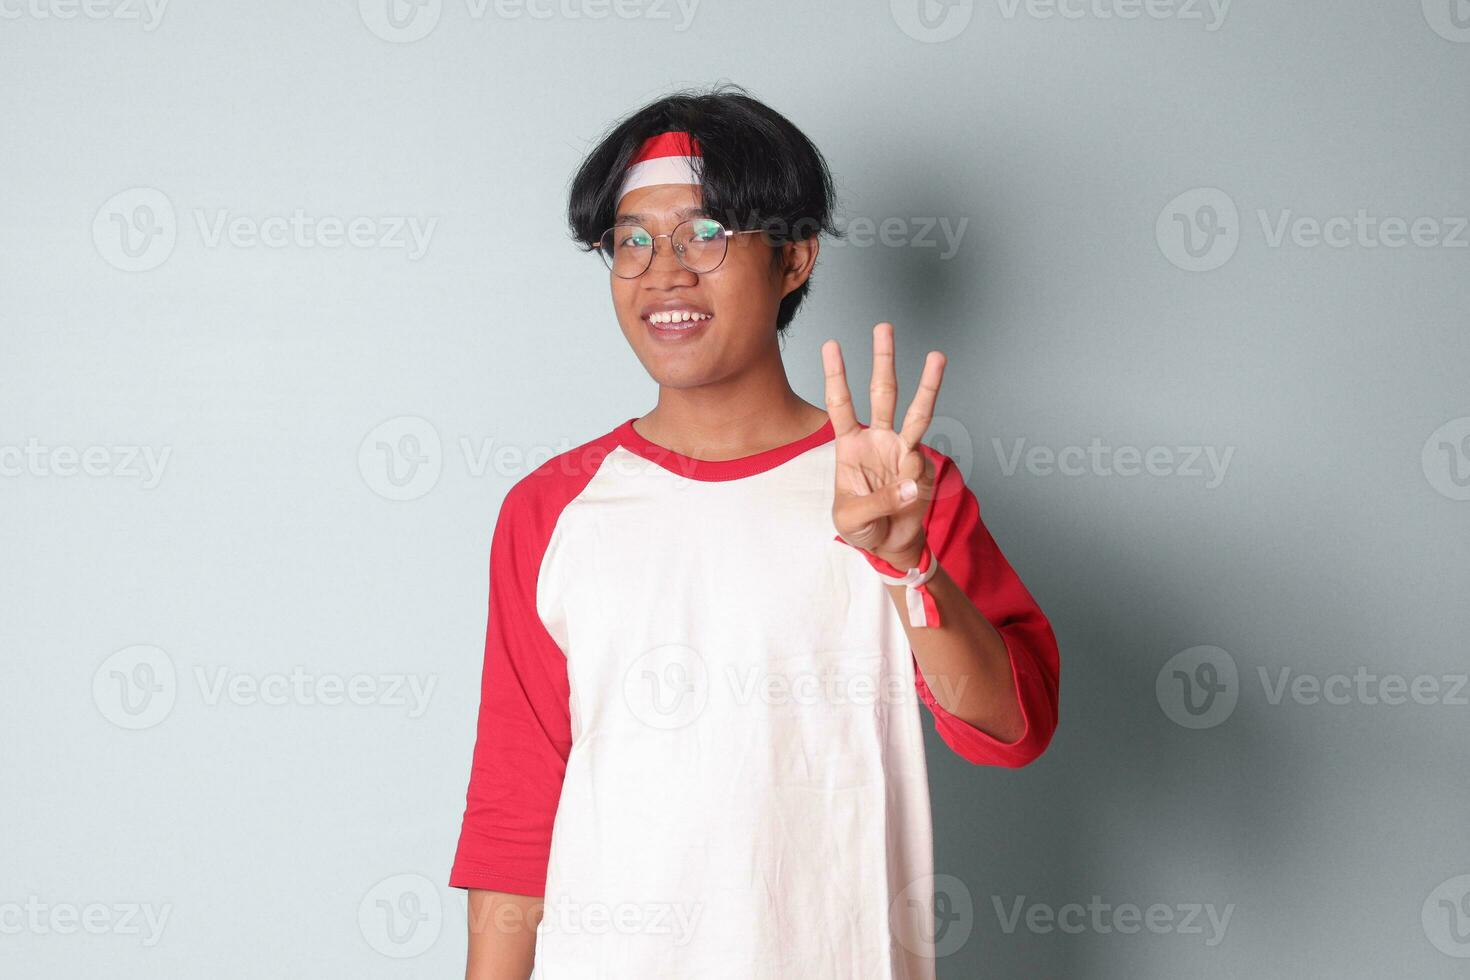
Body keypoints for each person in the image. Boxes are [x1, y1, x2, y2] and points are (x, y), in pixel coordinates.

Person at [449, 84, 1060, 980]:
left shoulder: (895, 489)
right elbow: (515, 810)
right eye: (632, 240)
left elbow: (1013, 725)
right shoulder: (550, 510)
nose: (664, 271)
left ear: (795, 258)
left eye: (705, 234)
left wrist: (908, 564)